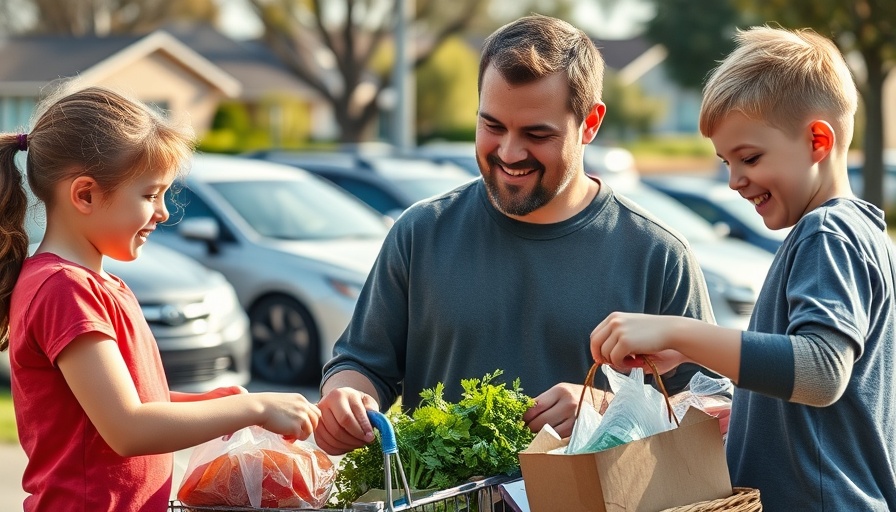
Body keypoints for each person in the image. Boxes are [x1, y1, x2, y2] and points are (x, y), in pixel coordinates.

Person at [315, 13, 716, 456]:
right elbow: (360, 364)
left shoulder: (657, 254)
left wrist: (605, 405)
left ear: (591, 123)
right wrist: (346, 400)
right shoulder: (420, 233)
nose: (509, 152)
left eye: (536, 134)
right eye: (492, 126)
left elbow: (710, 410)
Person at [590, 26, 896, 510]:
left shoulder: (828, 234)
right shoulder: (853, 231)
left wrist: (679, 331)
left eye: (749, 158)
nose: (734, 181)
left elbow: (820, 372)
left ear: (818, 140)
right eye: (725, 162)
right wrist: (692, 354)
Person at [0, 86, 322, 512]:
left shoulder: (97, 284)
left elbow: (126, 406)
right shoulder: (64, 289)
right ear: (85, 195)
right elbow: (127, 428)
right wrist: (255, 406)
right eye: (150, 195)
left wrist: (216, 406)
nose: (164, 211)